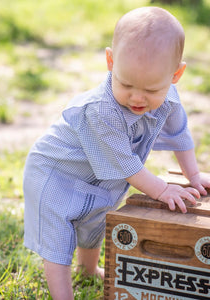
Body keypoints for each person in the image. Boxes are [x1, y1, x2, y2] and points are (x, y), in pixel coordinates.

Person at [23, 6, 210, 300]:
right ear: (111, 61)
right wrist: (161, 190)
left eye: (151, 90)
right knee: (58, 238)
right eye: (125, 84)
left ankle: (87, 269)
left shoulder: (169, 96)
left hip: (96, 177)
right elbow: (126, 165)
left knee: (96, 221)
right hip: (55, 173)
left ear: (176, 75)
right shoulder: (102, 112)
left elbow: (179, 134)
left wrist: (194, 174)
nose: (137, 97)